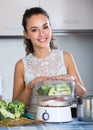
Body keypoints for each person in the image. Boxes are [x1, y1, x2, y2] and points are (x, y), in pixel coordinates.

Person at [12, 7, 87, 118]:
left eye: (45, 27)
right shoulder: (21, 65)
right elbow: (15, 108)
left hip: (64, 122)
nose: (42, 34)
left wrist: (74, 81)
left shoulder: (66, 57)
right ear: (26, 34)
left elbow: (83, 95)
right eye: (34, 30)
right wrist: (29, 87)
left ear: (50, 28)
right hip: (34, 124)